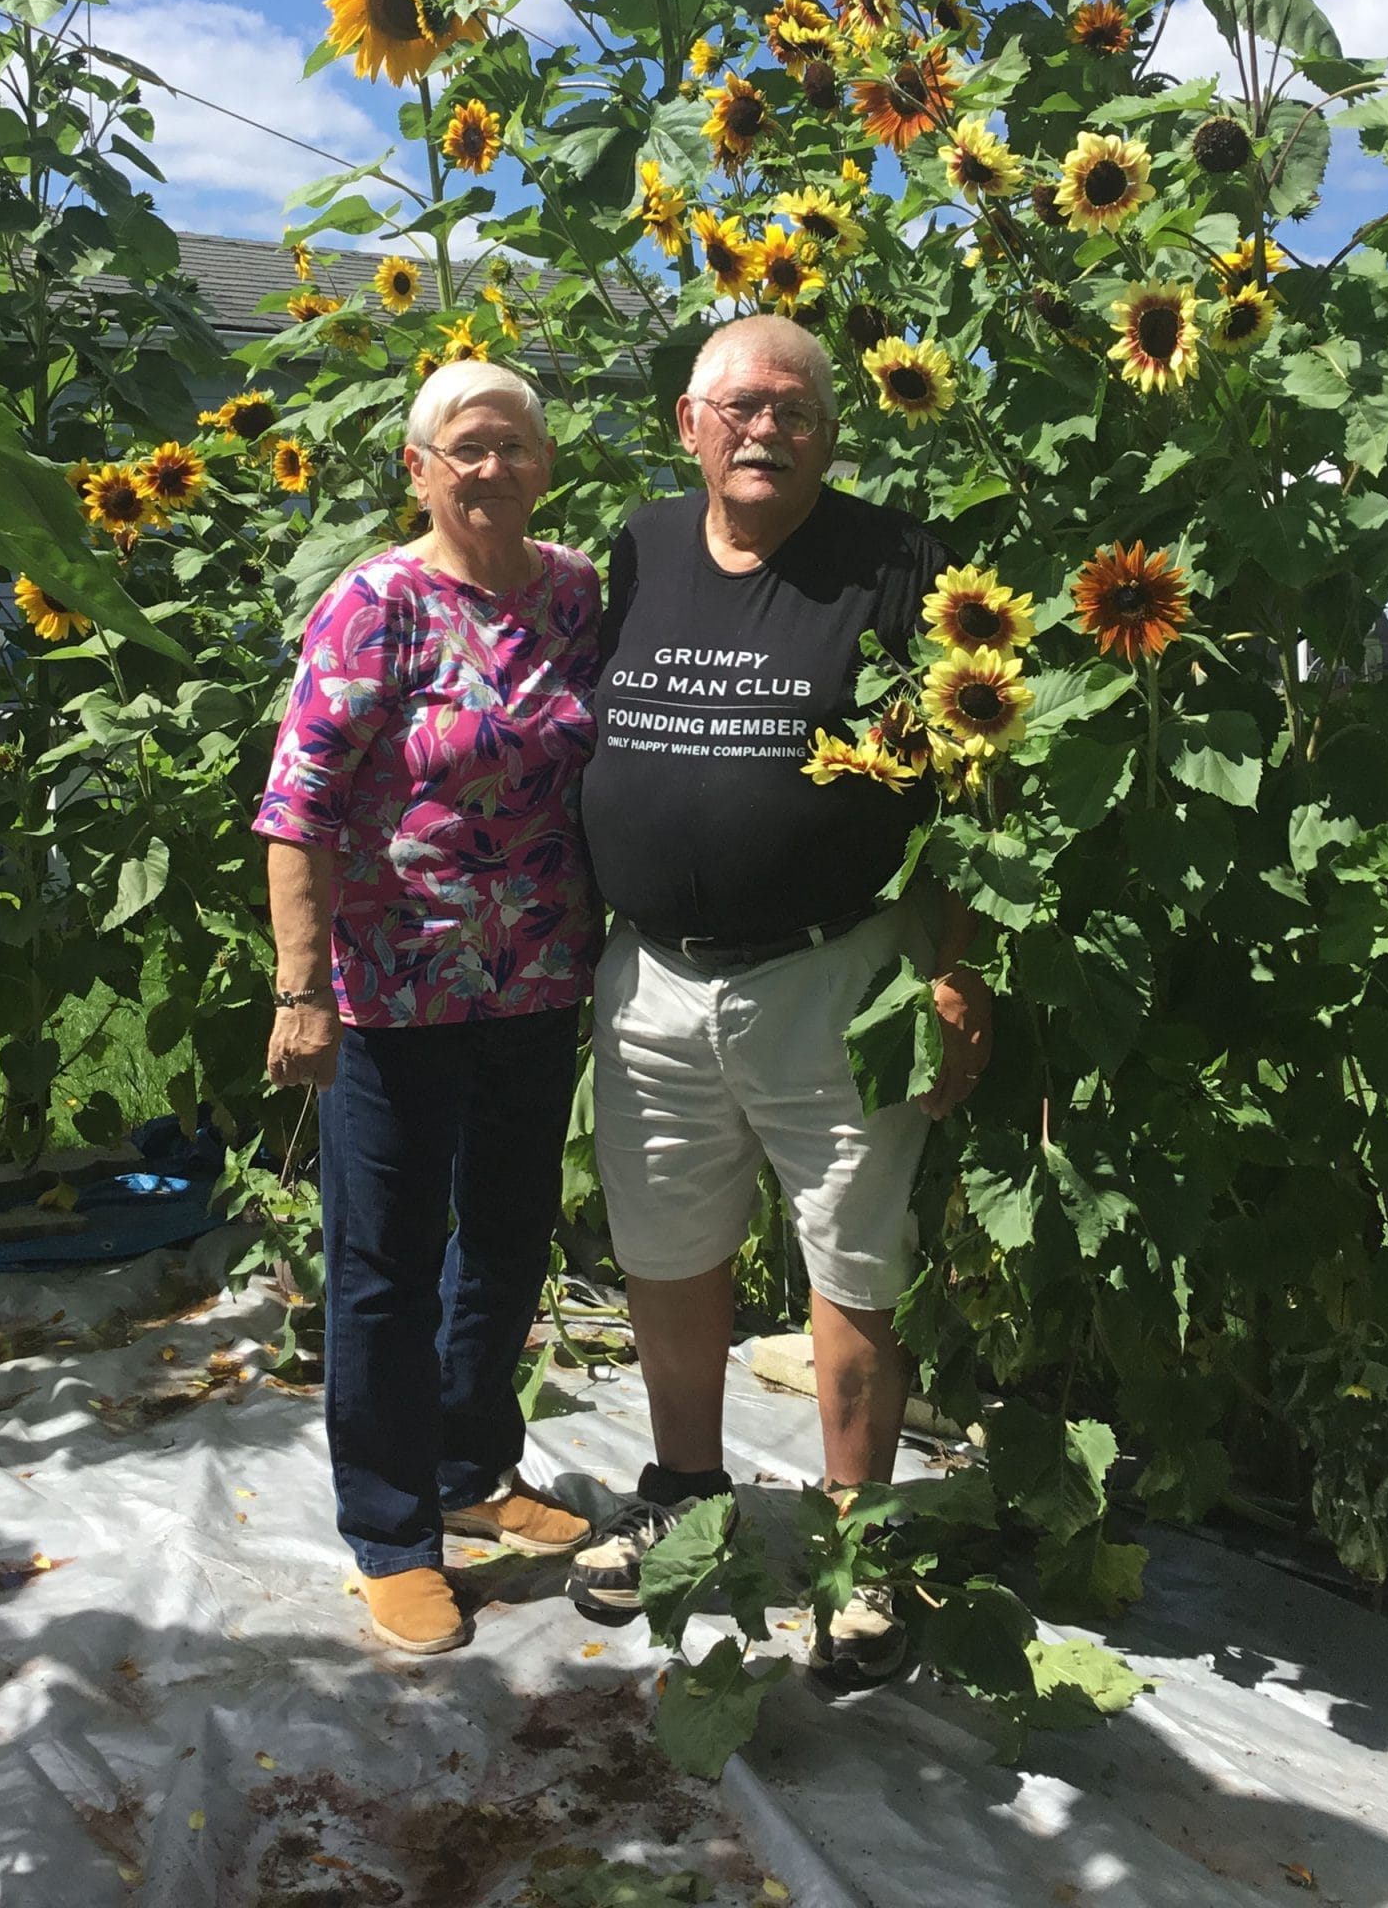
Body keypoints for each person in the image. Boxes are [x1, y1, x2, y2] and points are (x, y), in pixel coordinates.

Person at [568, 314, 991, 1681]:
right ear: (689, 426)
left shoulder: (896, 558)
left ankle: (863, 1550)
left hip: (837, 972)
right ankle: (686, 1494)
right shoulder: (635, 549)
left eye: (796, 408)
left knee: (854, 1258)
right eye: (739, 406)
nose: (766, 427)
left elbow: (963, 784)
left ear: (831, 432)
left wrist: (954, 960)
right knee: (665, 1247)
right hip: (654, 980)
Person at [255, 361, 598, 1657]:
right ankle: (391, 1532)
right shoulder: (374, 604)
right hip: (391, 990)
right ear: (418, 467)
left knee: (507, 1236)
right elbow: (298, 808)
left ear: (544, 464)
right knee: (387, 1261)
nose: (491, 469)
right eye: (465, 448)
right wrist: (301, 992)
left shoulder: (573, 594)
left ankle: (469, 1468)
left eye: (512, 445)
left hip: (538, 979)